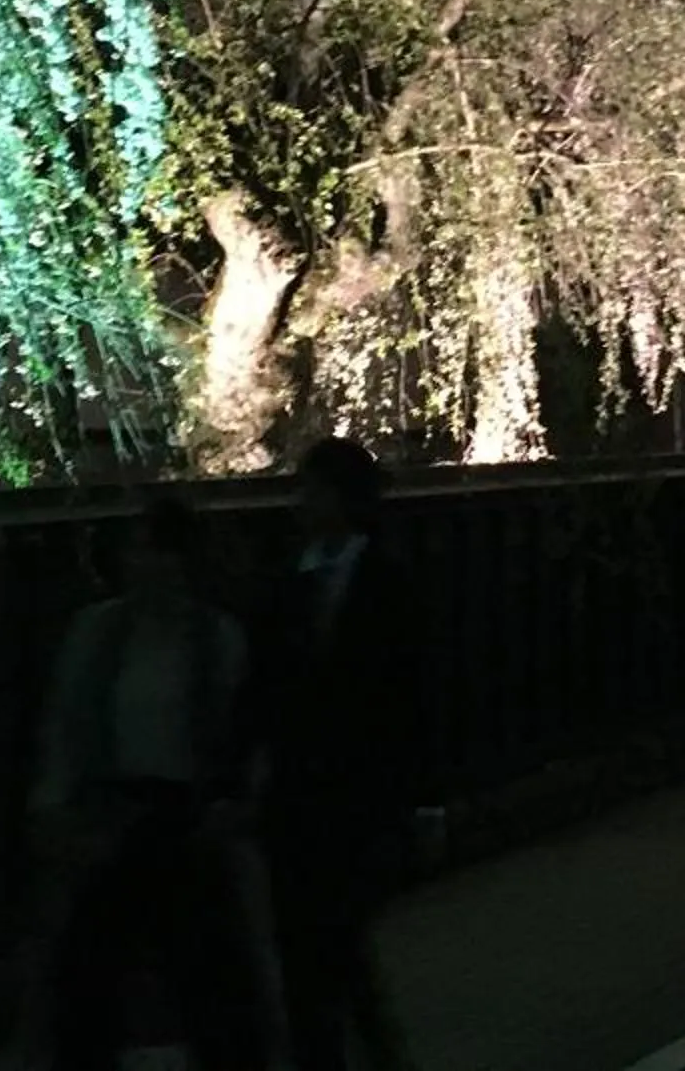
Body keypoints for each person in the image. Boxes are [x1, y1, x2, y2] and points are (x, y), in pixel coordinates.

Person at [25, 496, 280, 1071]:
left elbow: (246, 731)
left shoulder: (217, 639)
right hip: (111, 811)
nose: (146, 566)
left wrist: (235, 803)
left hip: (187, 818)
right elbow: (65, 723)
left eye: (159, 553)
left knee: (207, 979)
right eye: (139, 552)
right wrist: (52, 803)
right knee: (88, 977)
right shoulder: (95, 631)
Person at [256, 437, 427, 1071]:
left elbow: (407, 696)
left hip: (353, 792)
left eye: (315, 491)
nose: (303, 504)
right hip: (297, 794)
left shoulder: (383, 582)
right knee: (318, 943)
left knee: (327, 939)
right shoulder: (293, 581)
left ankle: (351, 1051)